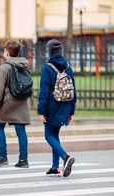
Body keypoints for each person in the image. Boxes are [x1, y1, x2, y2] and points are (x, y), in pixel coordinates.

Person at [37, 39, 76, 177]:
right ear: (61, 51)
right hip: (64, 105)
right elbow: (73, 91)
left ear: (49, 52)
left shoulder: (47, 68)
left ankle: (65, 157)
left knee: (48, 136)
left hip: (51, 107)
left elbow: (44, 92)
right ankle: (55, 167)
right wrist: (71, 111)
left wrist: (41, 110)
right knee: (55, 135)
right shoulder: (68, 68)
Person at [0, 40, 31, 168]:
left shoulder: (4, 67)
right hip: (22, 101)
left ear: (7, 53)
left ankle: (2, 157)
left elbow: (0, 90)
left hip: (8, 101)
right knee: (20, 129)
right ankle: (23, 160)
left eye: (4, 51)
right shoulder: (24, 65)